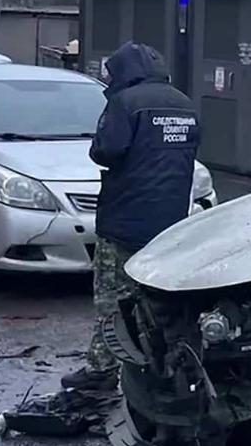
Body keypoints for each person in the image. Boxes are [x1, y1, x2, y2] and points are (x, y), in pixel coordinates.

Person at [62, 42, 201, 391]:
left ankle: (101, 371)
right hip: (168, 222)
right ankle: (160, 366)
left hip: (124, 220)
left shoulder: (125, 103)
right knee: (158, 298)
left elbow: (105, 151)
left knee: (112, 299)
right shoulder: (185, 103)